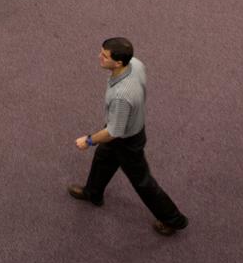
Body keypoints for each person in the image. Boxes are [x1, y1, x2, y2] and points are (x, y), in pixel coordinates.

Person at [68, 37, 189, 236]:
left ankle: (173, 219)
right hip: (125, 127)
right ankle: (93, 193)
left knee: (142, 182)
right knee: (103, 158)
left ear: (118, 63)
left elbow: (113, 132)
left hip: (126, 141)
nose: (99, 57)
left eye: (104, 56)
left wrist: (88, 140)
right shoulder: (135, 64)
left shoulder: (121, 96)